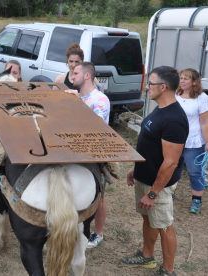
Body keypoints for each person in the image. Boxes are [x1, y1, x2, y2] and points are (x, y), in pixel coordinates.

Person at [121, 66, 189, 276]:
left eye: (150, 83)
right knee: (148, 219)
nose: (146, 86)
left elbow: (170, 163)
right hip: (145, 177)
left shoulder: (174, 119)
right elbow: (148, 145)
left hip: (159, 186)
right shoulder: (159, 108)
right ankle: (147, 256)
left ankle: (168, 271)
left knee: (164, 226)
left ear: (163, 86)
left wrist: (153, 194)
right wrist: (136, 169)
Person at [64, 61, 110, 249]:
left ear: (87, 75)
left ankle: (97, 233)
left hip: (94, 155)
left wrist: (77, 103)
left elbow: (94, 128)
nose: (71, 76)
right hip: (72, 152)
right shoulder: (74, 97)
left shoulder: (100, 99)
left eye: (75, 73)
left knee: (98, 195)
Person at [175, 68, 208, 214]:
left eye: (186, 78)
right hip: (175, 140)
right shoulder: (175, 95)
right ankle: (170, 193)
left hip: (194, 141)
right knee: (172, 168)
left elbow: (205, 123)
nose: (182, 81)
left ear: (195, 82)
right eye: (181, 78)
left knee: (195, 172)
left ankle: (196, 201)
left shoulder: (201, 97)